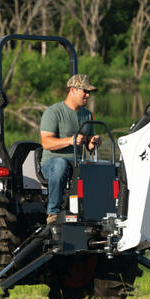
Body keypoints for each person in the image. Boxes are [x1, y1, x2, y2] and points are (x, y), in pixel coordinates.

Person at [40, 74, 101, 224]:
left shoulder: (87, 115)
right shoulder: (53, 112)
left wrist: (93, 142)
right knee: (61, 164)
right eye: (85, 91)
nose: (88, 95)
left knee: (102, 168)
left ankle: (98, 213)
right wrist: (70, 140)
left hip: (77, 162)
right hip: (53, 163)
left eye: (89, 92)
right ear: (73, 90)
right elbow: (46, 143)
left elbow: (88, 144)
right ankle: (53, 213)